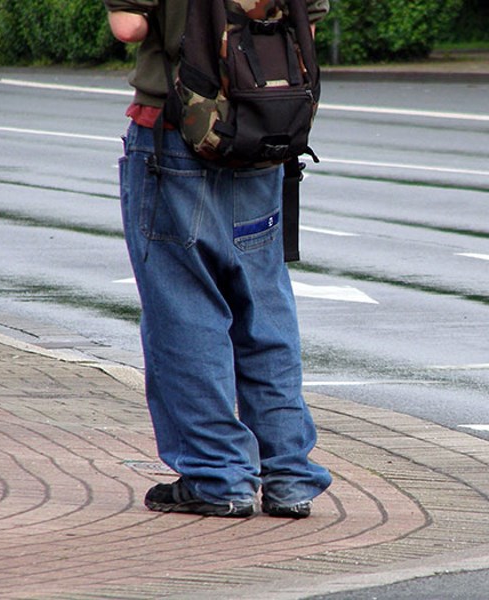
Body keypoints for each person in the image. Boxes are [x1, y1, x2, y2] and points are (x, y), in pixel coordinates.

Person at [104, 0, 332, 518]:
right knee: (264, 311)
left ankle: (218, 476)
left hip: (178, 134)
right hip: (264, 128)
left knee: (185, 313)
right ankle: (289, 476)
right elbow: (307, 23)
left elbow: (129, 26)